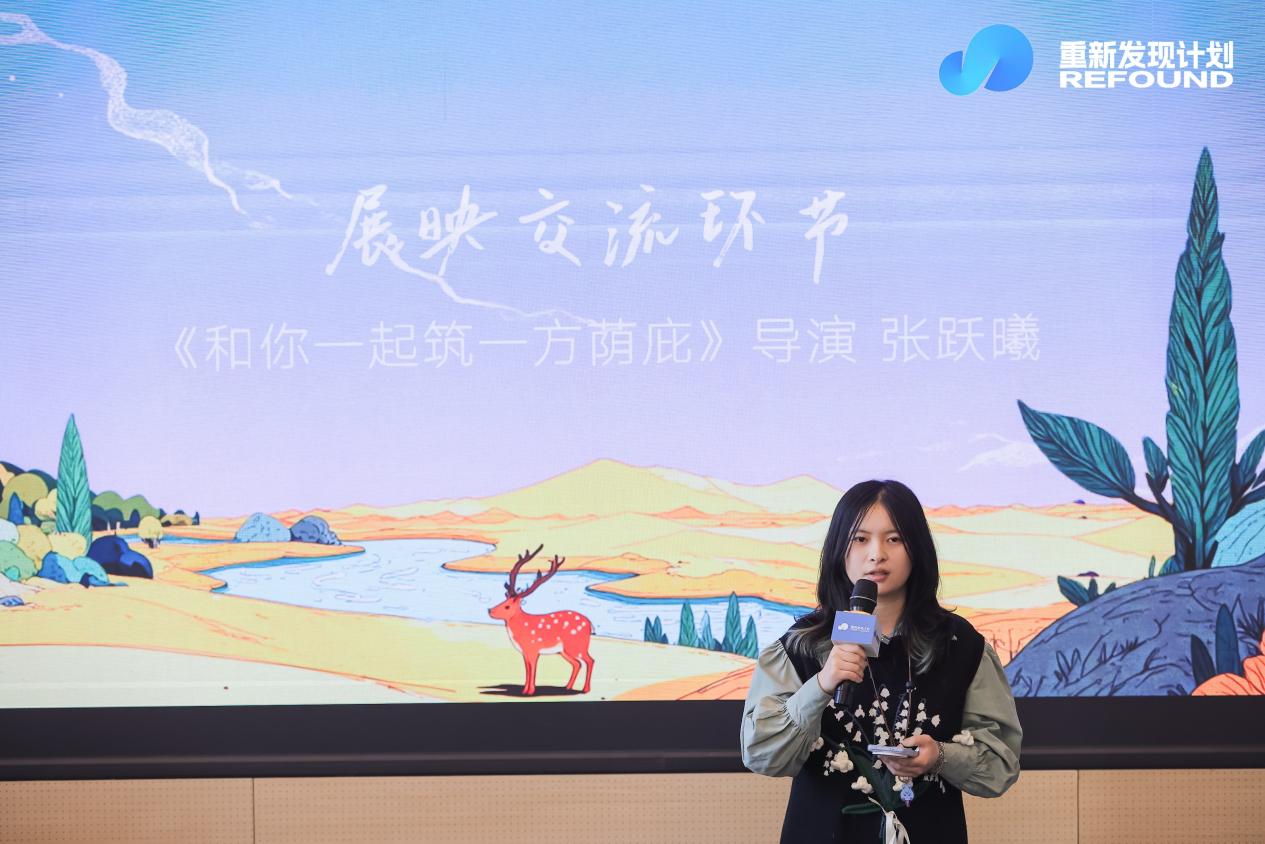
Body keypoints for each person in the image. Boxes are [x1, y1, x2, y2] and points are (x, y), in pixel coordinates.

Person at [741, 480, 1022, 843]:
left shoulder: (961, 646)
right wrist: (822, 684)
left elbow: (1001, 766)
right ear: (838, 548)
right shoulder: (800, 645)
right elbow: (762, 755)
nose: (876, 554)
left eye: (894, 539)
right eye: (860, 539)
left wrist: (941, 756)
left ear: (917, 548)